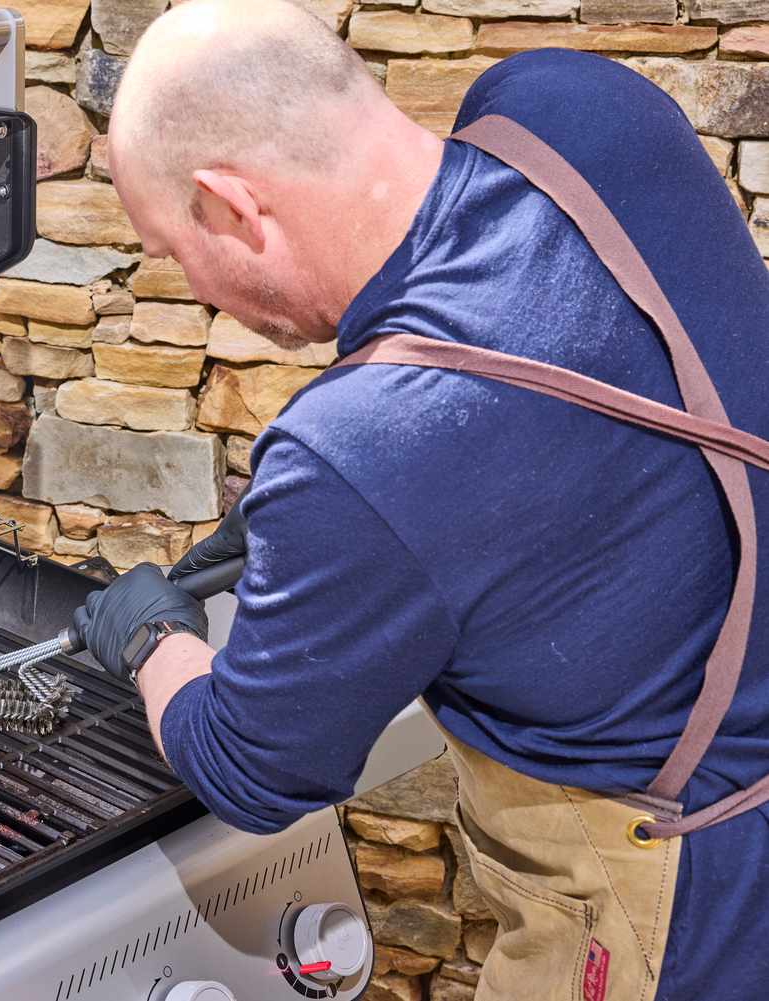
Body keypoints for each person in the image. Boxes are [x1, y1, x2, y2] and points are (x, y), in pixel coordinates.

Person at [66, 1, 769, 997]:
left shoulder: (360, 448)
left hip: (686, 916)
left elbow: (249, 769)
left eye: (179, 255)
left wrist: (153, 638)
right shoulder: (577, 109)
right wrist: (329, 524)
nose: (198, 298)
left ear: (232, 205)